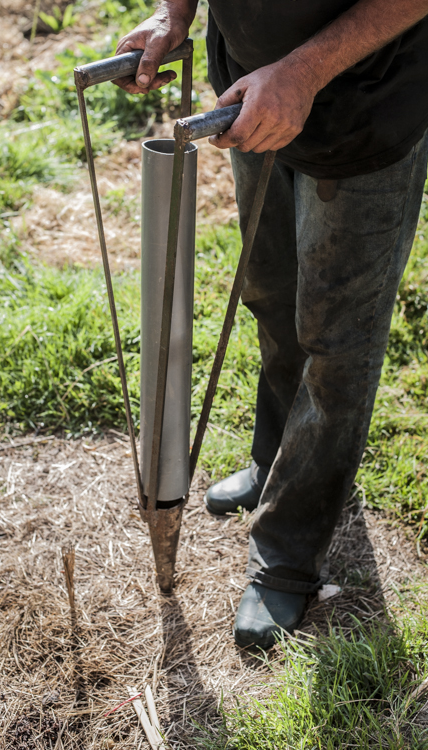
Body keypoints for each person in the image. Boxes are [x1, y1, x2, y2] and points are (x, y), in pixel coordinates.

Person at [114, 0, 428, 649]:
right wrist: (173, 14)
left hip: (362, 106)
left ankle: (289, 548)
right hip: (250, 93)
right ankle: (277, 461)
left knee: (333, 338)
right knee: (271, 292)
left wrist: (303, 71)